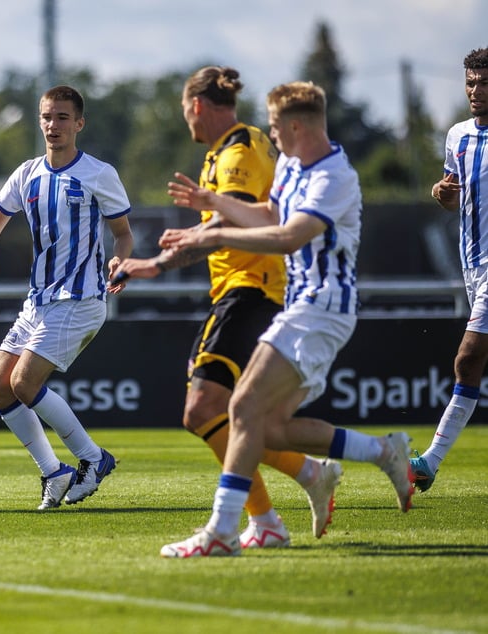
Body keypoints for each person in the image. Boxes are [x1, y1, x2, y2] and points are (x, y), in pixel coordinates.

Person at [157, 81, 413, 558]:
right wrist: (216, 205)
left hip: (321, 309)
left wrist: (212, 239)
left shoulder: (335, 177)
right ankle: (383, 451)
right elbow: (270, 212)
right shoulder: (294, 165)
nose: (269, 134)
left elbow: (287, 237)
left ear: (296, 125)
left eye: (274, 126)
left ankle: (224, 531)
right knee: (267, 427)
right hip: (301, 306)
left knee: (241, 408)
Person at [112, 67, 341, 548]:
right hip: (243, 291)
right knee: (232, 414)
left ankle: (263, 518)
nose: (187, 123)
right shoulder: (231, 148)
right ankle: (297, 487)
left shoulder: (239, 150)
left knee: (203, 410)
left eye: (184, 111)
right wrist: (158, 263)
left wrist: (155, 263)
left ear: (197, 105)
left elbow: (221, 224)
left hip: (251, 289)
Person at [0, 85, 134, 510]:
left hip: (81, 297)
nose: (53, 126)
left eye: (62, 118)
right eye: (47, 117)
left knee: (24, 382)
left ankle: (93, 459)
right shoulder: (27, 173)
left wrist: (120, 262)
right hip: (38, 301)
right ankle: (54, 473)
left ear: (79, 124)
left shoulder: (98, 173)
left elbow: (123, 234)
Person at [411, 47, 488, 493]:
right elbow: (454, 195)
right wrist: (442, 194)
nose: (475, 91)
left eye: (483, 83)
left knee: (467, 358)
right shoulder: (458, 135)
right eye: (471, 83)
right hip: (473, 267)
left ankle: (430, 461)